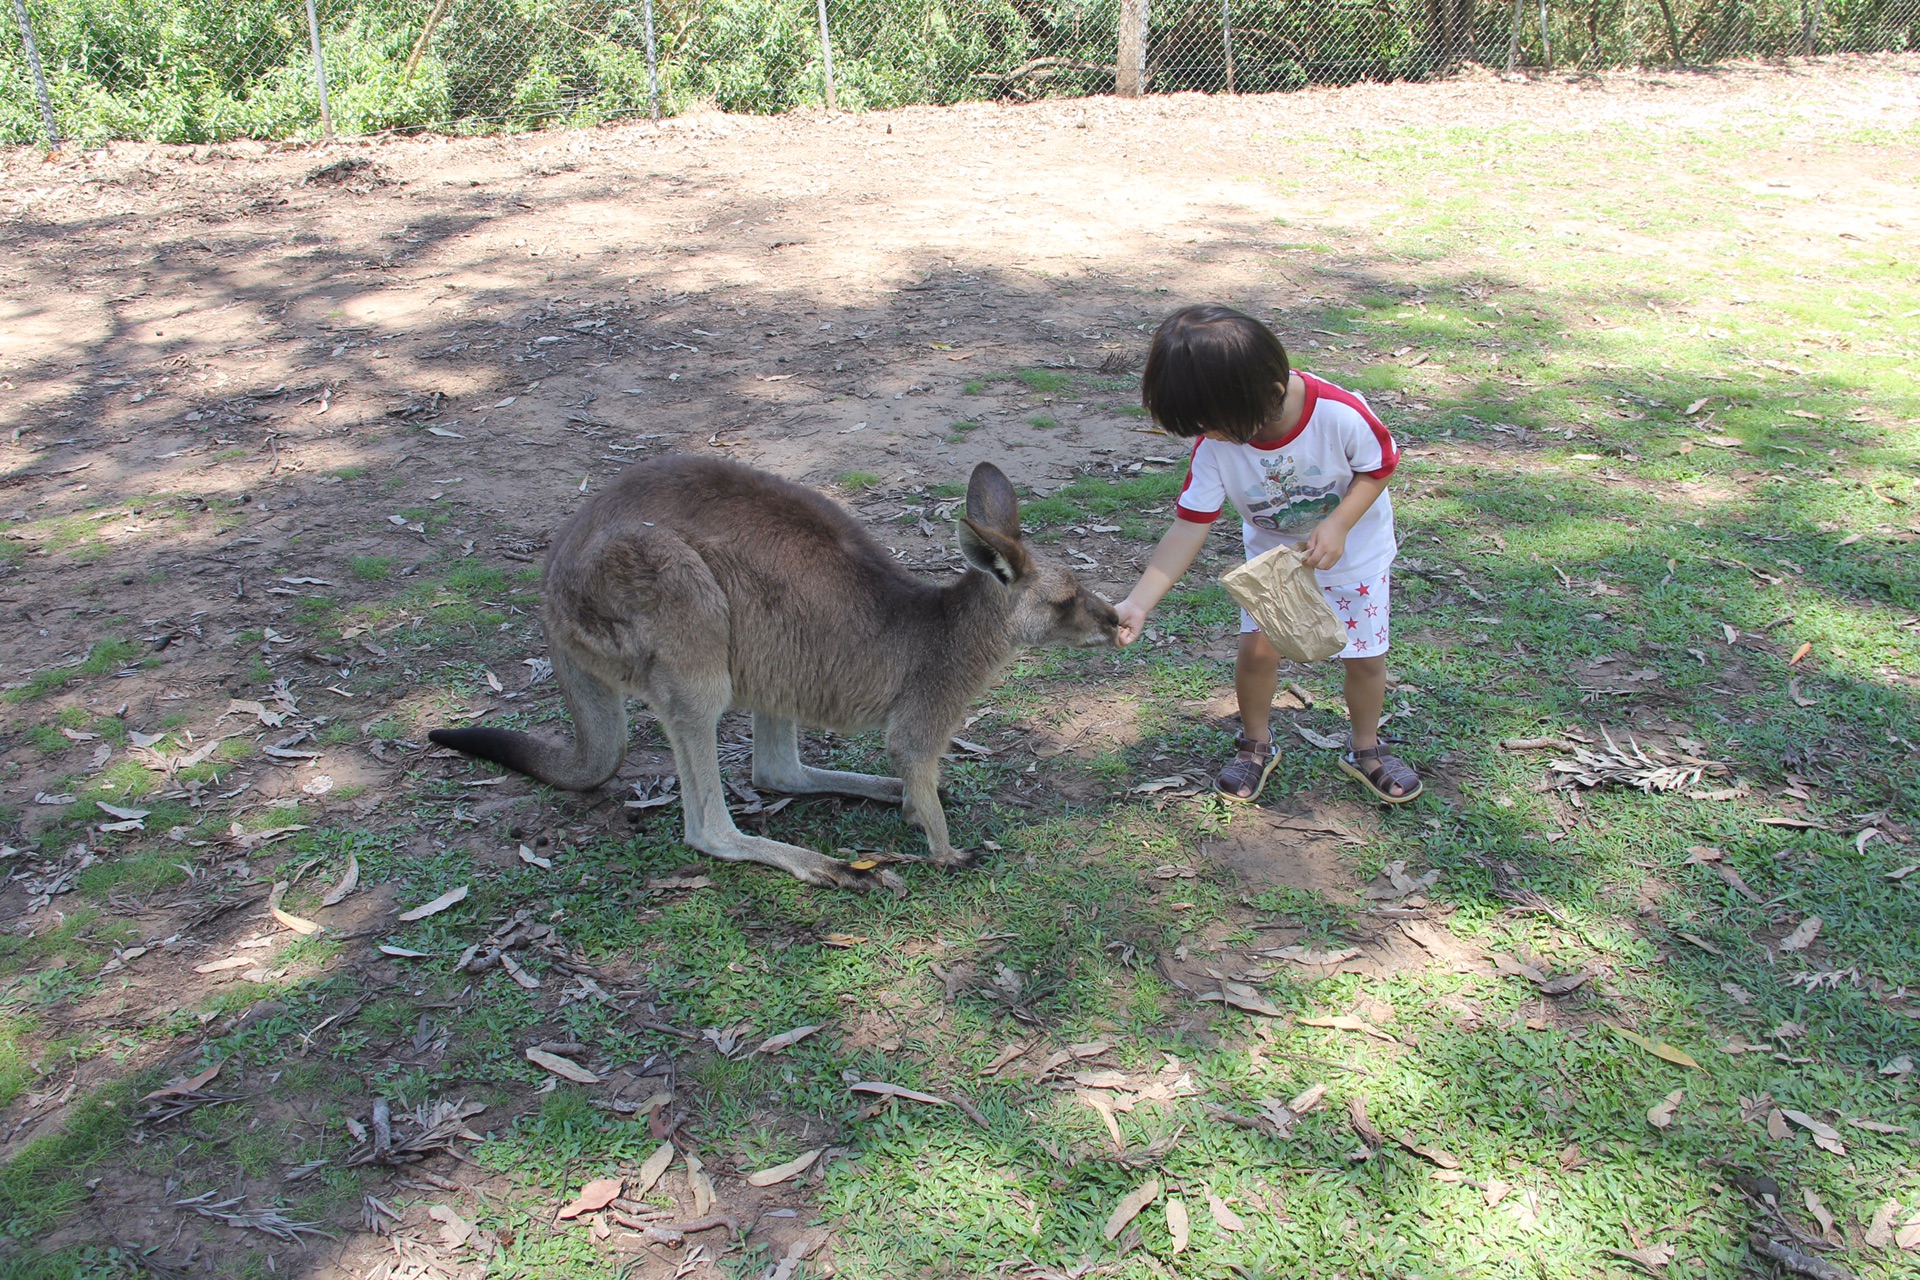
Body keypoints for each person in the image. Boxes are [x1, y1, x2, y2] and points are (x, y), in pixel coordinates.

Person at [1114, 304, 1422, 805]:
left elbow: (1379, 465)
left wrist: (1339, 522)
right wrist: (1140, 602)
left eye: (1216, 426)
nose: (1208, 437)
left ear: (1271, 394)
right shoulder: (1215, 445)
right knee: (1257, 653)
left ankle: (1366, 747)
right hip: (1273, 570)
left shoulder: (1338, 413)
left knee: (1365, 660)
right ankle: (1255, 744)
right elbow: (1190, 526)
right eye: (1200, 428)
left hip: (1355, 562)